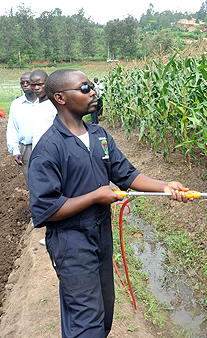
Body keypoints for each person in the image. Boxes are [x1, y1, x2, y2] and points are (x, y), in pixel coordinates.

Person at [28, 68, 193, 338]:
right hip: (71, 243)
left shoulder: (99, 135)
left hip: (101, 235)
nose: (92, 92)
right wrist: (96, 196)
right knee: (87, 320)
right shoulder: (49, 148)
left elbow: (127, 174)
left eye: (91, 86)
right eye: (84, 88)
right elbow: (46, 210)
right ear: (60, 97)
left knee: (104, 312)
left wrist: (165, 186)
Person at [6, 72, 38, 186]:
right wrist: (15, 150)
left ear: (35, 83)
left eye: (28, 82)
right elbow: (12, 128)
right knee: (31, 179)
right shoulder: (16, 104)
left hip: (46, 146)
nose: (25, 85)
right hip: (27, 148)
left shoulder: (45, 101)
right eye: (22, 83)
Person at [30, 69, 57, 148]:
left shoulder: (56, 106)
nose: (36, 88)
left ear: (48, 83)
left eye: (40, 84)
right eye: (33, 85)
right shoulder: (36, 106)